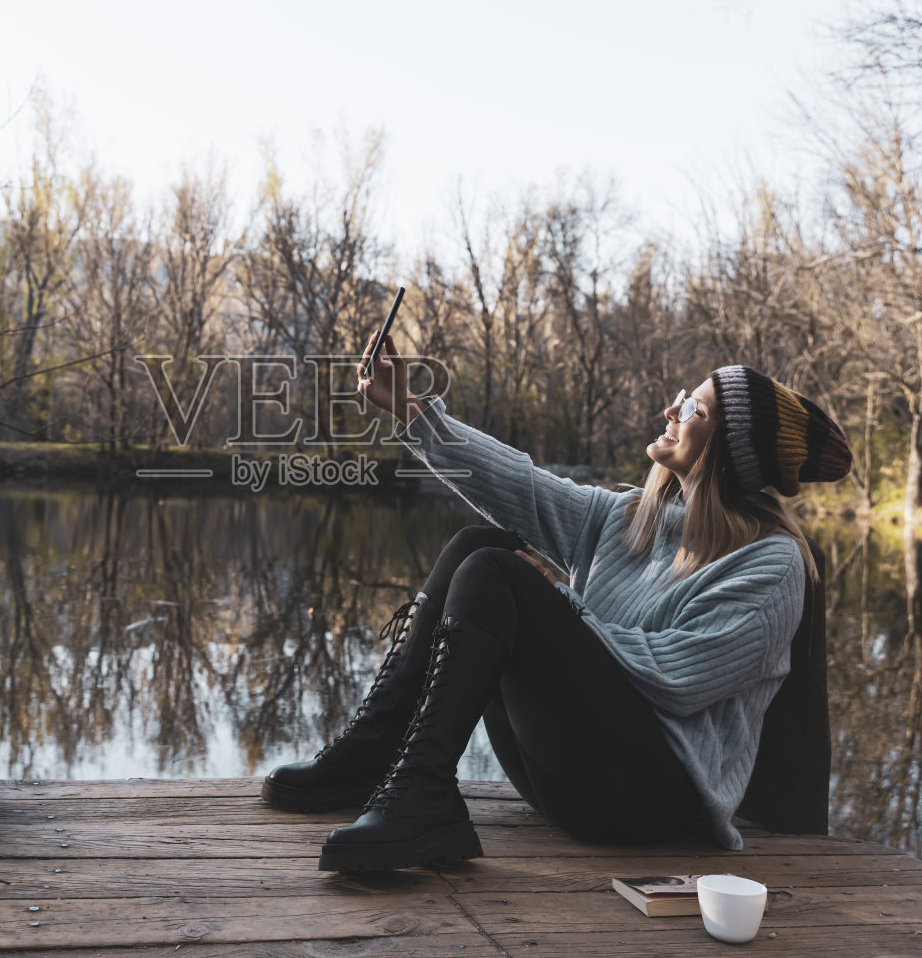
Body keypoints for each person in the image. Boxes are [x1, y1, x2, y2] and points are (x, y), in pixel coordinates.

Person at [260, 332, 853, 872]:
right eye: (682, 396)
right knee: (480, 543)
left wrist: (558, 603)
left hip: (645, 799)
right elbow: (517, 483)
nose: (673, 410)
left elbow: (677, 677)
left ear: (733, 449)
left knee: (498, 574)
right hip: (561, 771)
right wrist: (409, 410)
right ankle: (375, 752)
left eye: (696, 408)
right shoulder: (631, 518)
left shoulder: (771, 565)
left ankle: (424, 796)